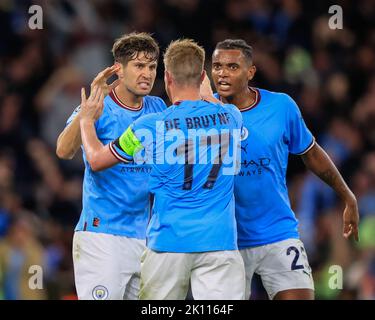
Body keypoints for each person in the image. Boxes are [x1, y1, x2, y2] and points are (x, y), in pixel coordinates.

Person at [79, 39, 246, 300]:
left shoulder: (150, 126)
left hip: (169, 241)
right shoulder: (233, 117)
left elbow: (97, 160)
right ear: (203, 76)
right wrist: (206, 91)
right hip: (220, 241)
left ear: (166, 77)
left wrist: (87, 121)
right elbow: (212, 105)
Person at [208, 39, 359, 300]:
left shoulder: (281, 106)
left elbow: (311, 154)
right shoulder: (202, 114)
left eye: (232, 66)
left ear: (250, 72)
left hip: (277, 232)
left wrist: (348, 195)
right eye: (217, 66)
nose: (223, 73)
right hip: (225, 239)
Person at [55, 32, 166, 300]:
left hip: (145, 237)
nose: (147, 74)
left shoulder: (157, 107)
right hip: (102, 234)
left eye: (152, 67)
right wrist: (86, 115)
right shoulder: (99, 106)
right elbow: (63, 150)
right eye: (139, 66)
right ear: (119, 69)